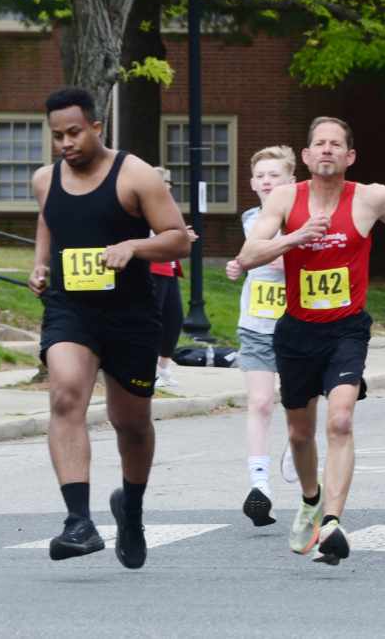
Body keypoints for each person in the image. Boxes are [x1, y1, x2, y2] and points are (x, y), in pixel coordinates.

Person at [236, 117, 385, 565]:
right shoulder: (284, 199)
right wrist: (296, 237)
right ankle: (310, 497)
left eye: (336, 144)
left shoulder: (370, 196)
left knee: (339, 421)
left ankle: (333, 522)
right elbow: (247, 256)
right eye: (318, 144)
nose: (326, 150)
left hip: (347, 328)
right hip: (296, 330)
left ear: (349, 156)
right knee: (300, 433)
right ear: (305, 156)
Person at [28, 87, 191, 568]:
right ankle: (78, 522)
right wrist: (39, 266)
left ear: (97, 126)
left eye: (74, 132)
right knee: (65, 394)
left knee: (131, 423)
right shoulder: (44, 179)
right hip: (70, 309)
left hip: (130, 315)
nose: (66, 144)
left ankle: (132, 509)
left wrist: (134, 248)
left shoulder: (134, 175)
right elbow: (49, 221)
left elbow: (178, 239)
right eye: (57, 136)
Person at [225, 146, 297, 527]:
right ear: (252, 183)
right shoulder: (252, 218)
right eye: (261, 176)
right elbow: (259, 256)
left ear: (291, 181)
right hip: (257, 321)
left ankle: (297, 447)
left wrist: (254, 257)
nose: (267, 181)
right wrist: (237, 266)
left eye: (275, 175)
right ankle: (260, 486)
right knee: (261, 402)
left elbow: (279, 258)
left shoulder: (303, 215)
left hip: (299, 321)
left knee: (300, 401)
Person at [150, 167, 197, 388]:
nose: (168, 185)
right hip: (152, 269)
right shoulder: (146, 206)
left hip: (169, 268)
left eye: (169, 182)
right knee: (154, 320)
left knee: (174, 319)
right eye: (164, 181)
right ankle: (149, 369)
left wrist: (184, 237)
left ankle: (163, 367)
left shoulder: (169, 207)